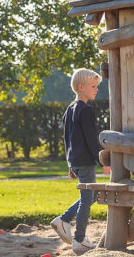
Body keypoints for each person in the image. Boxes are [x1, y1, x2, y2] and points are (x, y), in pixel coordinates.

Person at [51, 68, 109, 255]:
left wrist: (70, 163)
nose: (96, 89)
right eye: (93, 86)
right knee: (87, 199)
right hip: (85, 161)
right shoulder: (86, 110)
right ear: (81, 87)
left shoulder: (70, 109)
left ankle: (63, 220)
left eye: (97, 86)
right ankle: (79, 239)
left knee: (91, 196)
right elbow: (91, 140)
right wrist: (103, 161)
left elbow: (67, 139)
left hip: (76, 160)